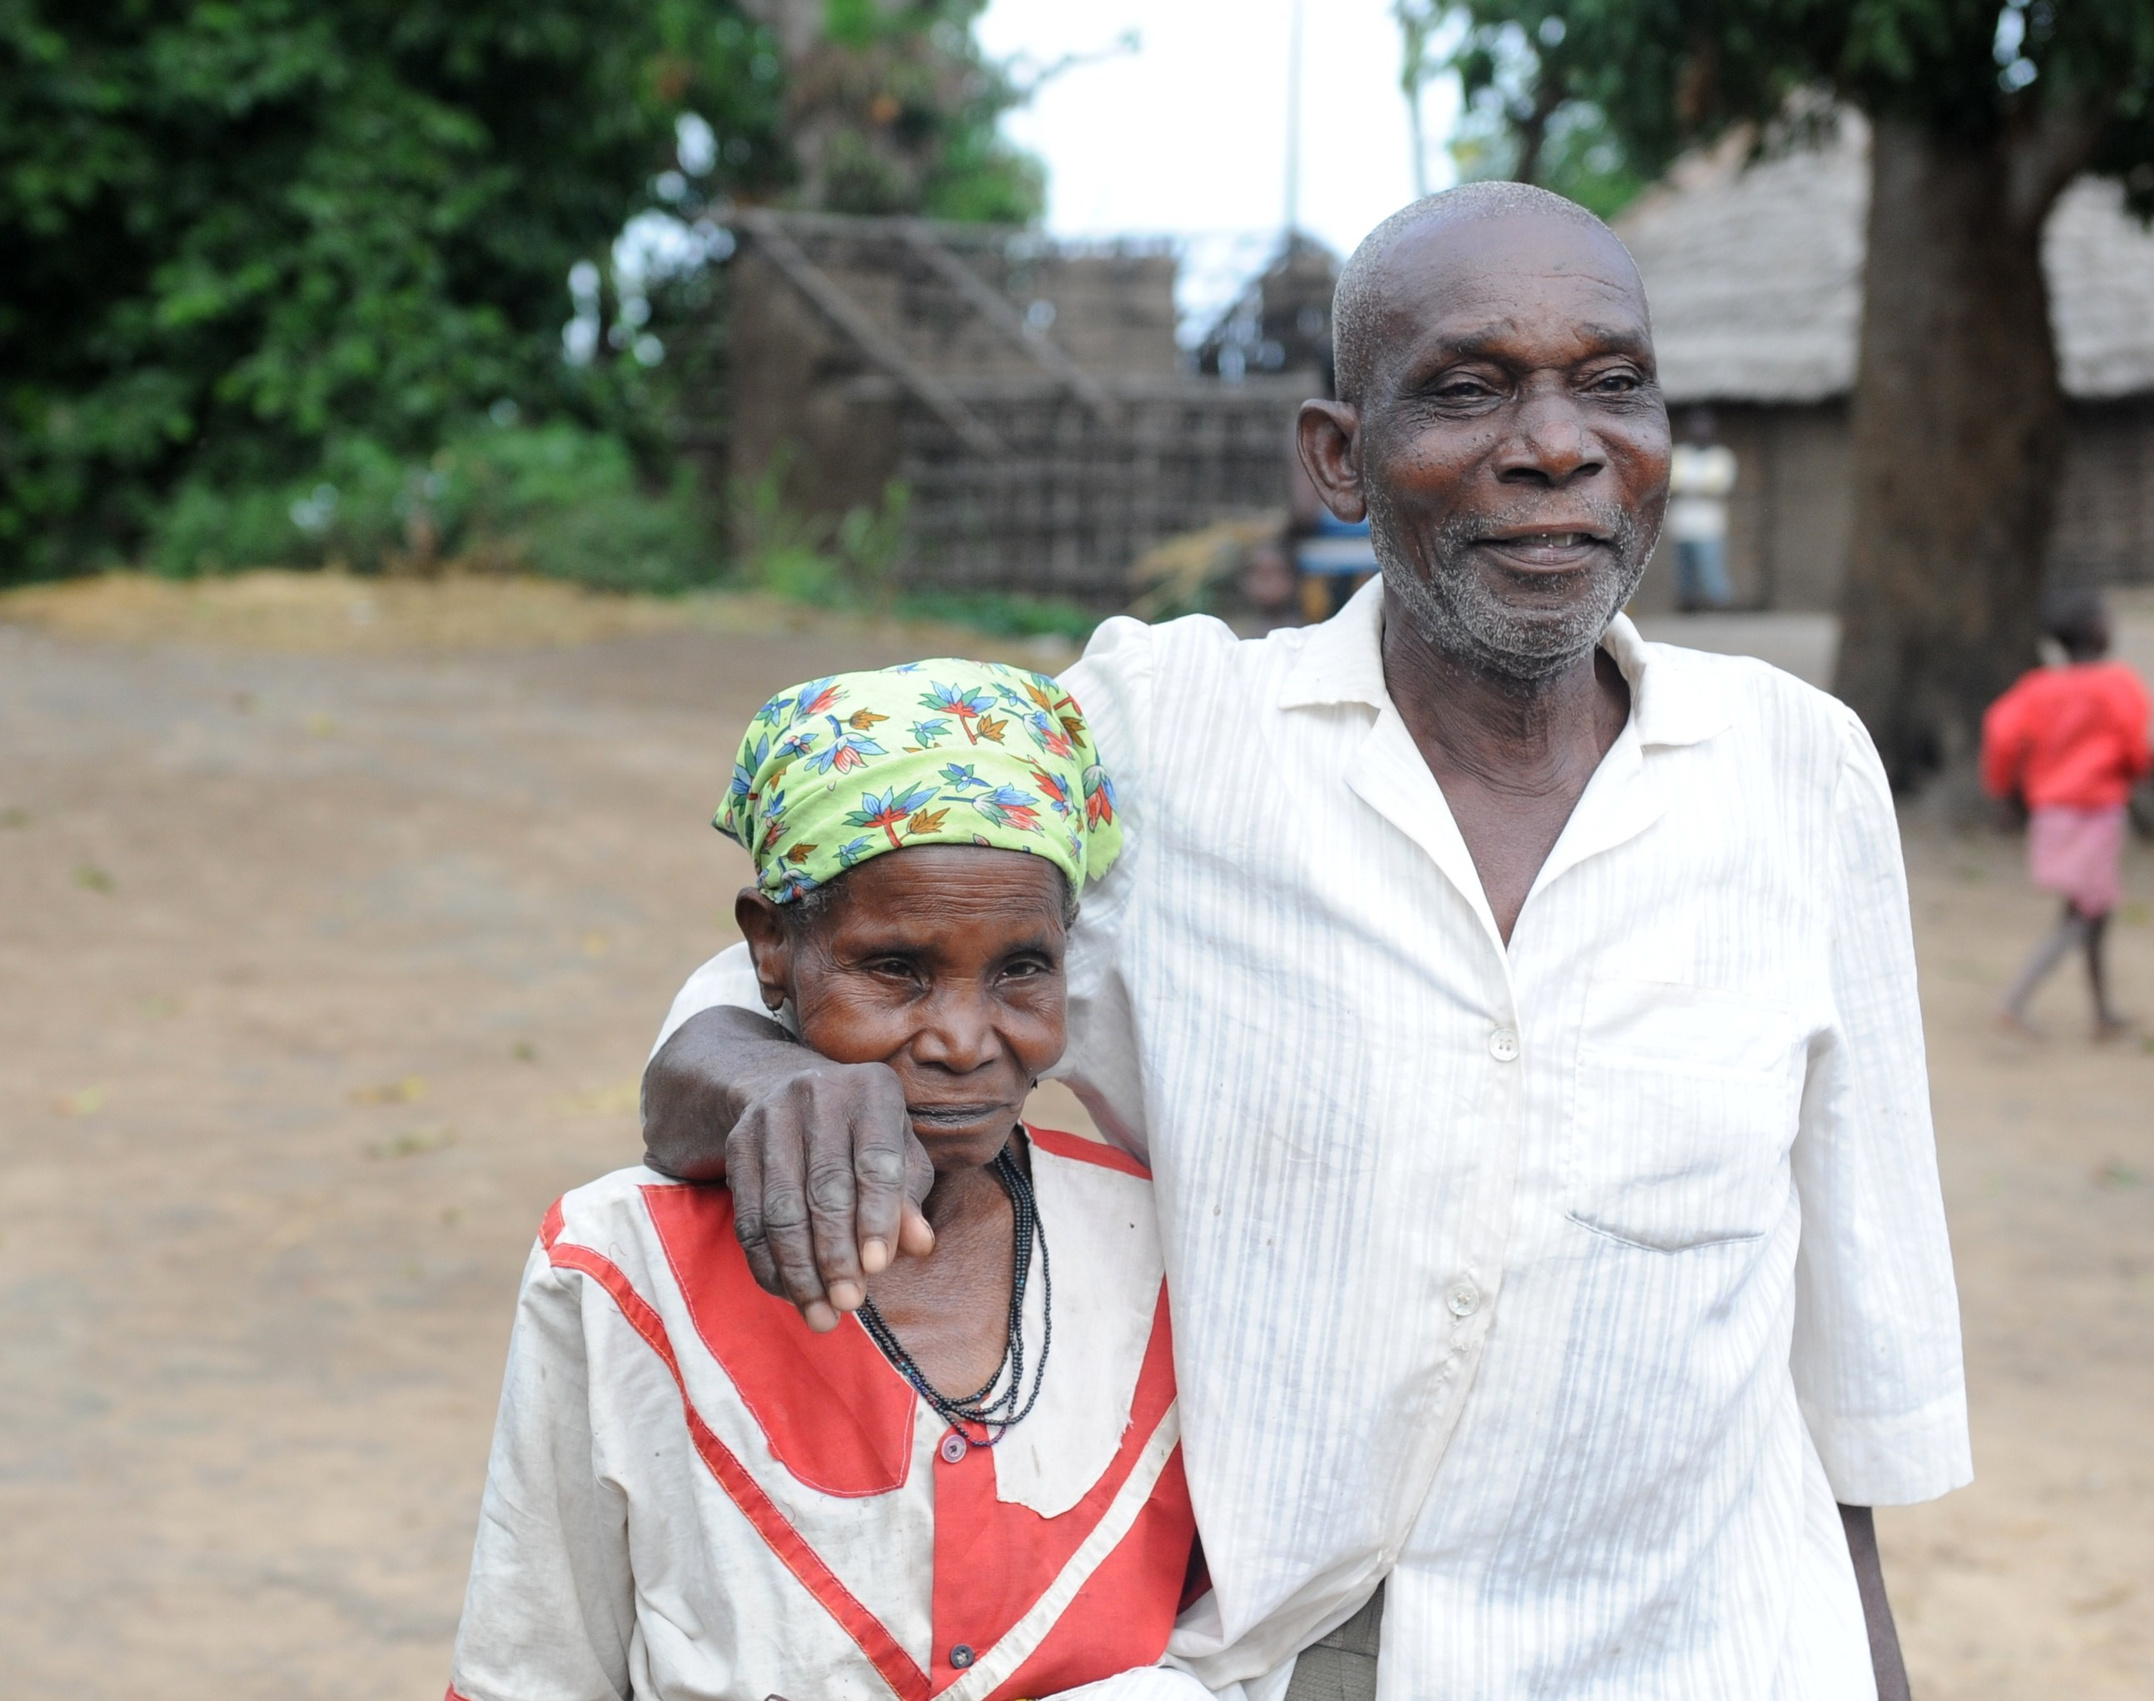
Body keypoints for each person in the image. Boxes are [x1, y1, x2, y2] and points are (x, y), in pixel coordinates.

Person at [642, 183, 1969, 1700]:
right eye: (1468, 389)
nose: (1555, 444)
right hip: (1299, 1658)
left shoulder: (1798, 768)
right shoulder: (1171, 741)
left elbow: (1848, 1353)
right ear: (1339, 457)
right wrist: (761, 1075)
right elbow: (836, 925)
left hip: (1711, 1653)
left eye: (1613, 384)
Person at [447, 662, 1211, 1701]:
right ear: (770, 949)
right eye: (896, 969)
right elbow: (531, 1666)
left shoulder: (1160, 1246)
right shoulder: (622, 1260)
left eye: (1020, 970)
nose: (961, 1039)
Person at [1980, 588, 2154, 1039]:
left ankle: (2102, 1013)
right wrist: (2133, 773)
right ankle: (2014, 1001)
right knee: (2085, 915)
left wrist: (2004, 791)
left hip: (2052, 815)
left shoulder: (2039, 689)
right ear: (2099, 631)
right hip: (2096, 814)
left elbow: (2000, 733)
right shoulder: (2119, 685)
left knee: (2092, 911)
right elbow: (2136, 745)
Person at [1667, 439, 1738, 610]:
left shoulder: (1720, 456)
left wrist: (1689, 486)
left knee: (1710, 567)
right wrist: (1699, 487)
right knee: (1685, 570)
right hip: (1682, 523)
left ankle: (1720, 606)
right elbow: (1671, 483)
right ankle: (1689, 607)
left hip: (1709, 524)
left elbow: (1718, 486)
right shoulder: (1680, 454)